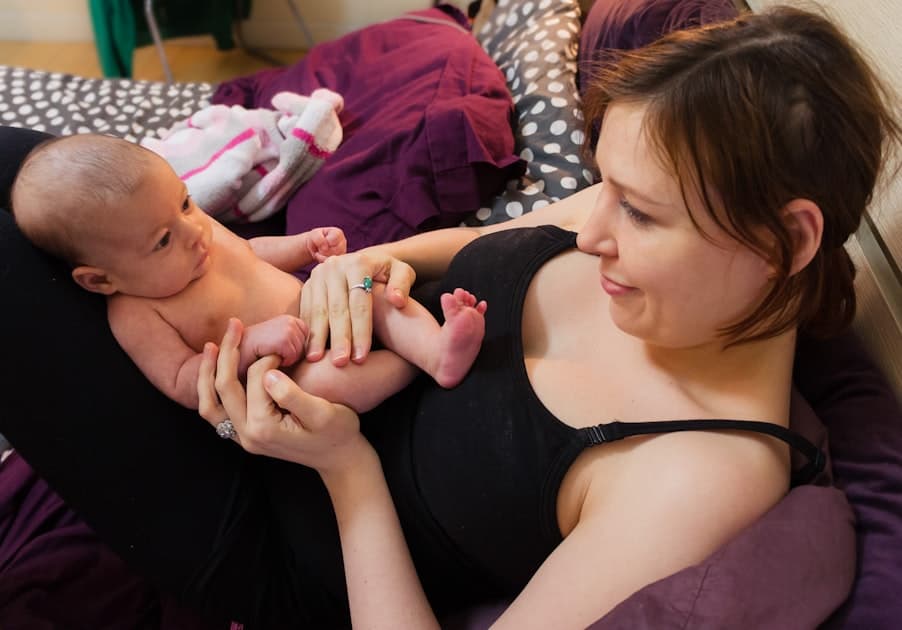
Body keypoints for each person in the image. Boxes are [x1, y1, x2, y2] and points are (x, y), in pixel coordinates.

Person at [0, 6, 898, 629]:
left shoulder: (702, 472)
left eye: (640, 213)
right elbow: (454, 247)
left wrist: (346, 469)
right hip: (283, 372)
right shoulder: (652, 229)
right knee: (39, 181)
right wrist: (358, 267)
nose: (589, 230)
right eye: (605, 186)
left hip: (274, 522)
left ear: (788, 239)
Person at [9, 134, 487, 412]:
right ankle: (411, 369)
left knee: (375, 292)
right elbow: (184, 380)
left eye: (185, 202)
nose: (195, 231)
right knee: (321, 388)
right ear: (101, 279)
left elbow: (251, 252)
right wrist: (252, 344)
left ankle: (435, 352)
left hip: (322, 306)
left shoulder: (192, 230)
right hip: (292, 368)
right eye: (162, 241)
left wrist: (302, 246)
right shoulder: (135, 314)